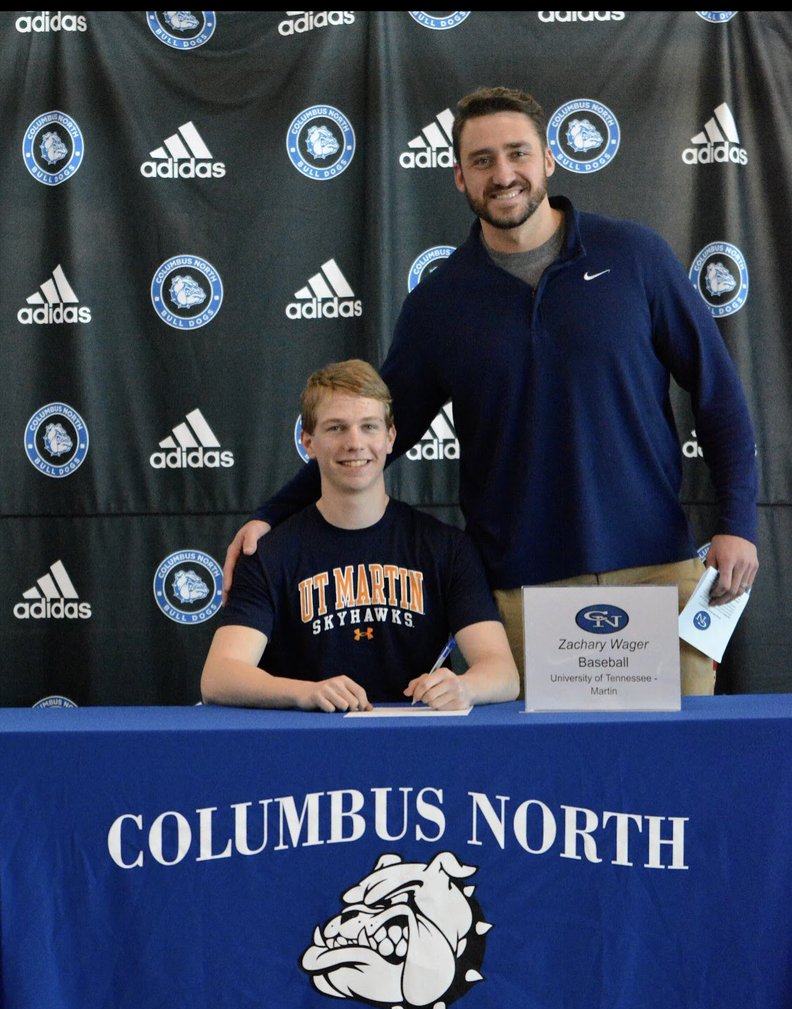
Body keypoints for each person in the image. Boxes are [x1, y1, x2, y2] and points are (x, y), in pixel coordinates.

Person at [222, 86, 759, 697]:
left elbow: (719, 395)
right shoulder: (439, 304)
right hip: (523, 593)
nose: (503, 174)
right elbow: (374, 436)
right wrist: (271, 516)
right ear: (459, 176)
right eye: (482, 160)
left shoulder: (635, 257)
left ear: (548, 159)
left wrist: (739, 522)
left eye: (517, 153)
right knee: (542, 764)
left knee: (677, 756)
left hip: (658, 573)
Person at [202, 359, 519, 712]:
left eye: (369, 426)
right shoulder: (270, 554)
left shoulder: (446, 547)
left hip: (415, 735)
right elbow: (219, 676)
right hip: (312, 737)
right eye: (336, 428)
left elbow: (503, 673)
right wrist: (305, 693)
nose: (355, 443)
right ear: (308, 441)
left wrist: (465, 687)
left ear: (390, 437)